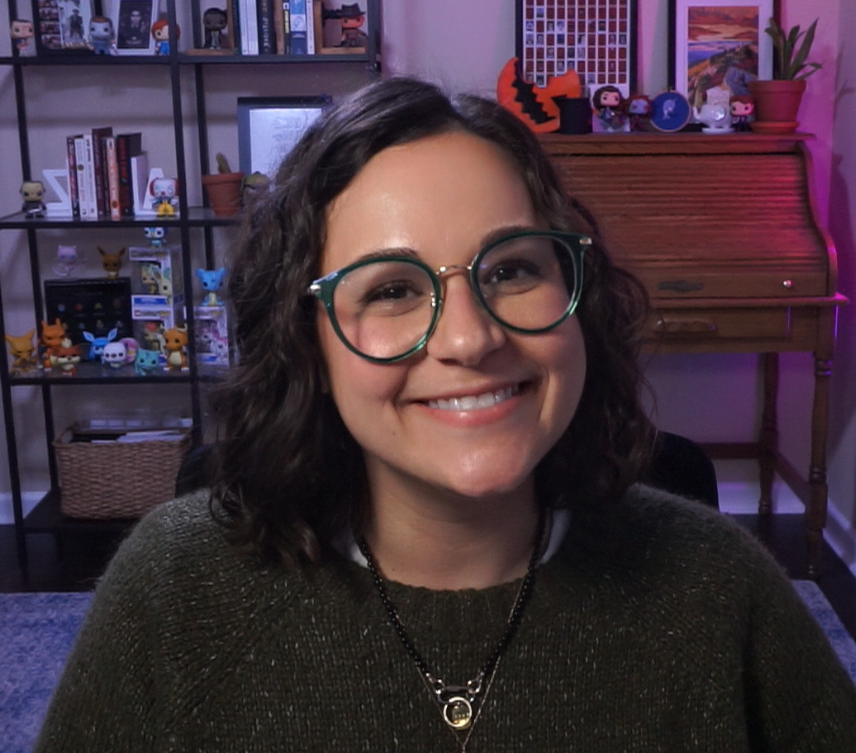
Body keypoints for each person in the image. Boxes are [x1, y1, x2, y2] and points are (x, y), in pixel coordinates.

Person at [36, 77, 856, 751]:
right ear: (306, 347)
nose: (470, 337)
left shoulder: (724, 592)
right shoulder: (174, 597)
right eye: (391, 290)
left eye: (512, 270)